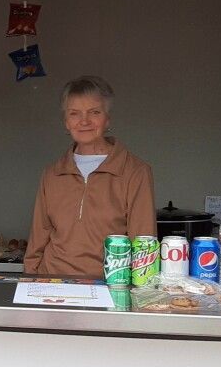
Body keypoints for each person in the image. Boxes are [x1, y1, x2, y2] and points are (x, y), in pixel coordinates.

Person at [24, 75, 156, 277]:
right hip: (52, 282)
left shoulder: (135, 172)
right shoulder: (52, 173)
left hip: (108, 284)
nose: (84, 121)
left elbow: (143, 246)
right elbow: (37, 239)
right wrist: (30, 279)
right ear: (66, 122)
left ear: (107, 119)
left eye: (94, 112)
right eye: (74, 113)